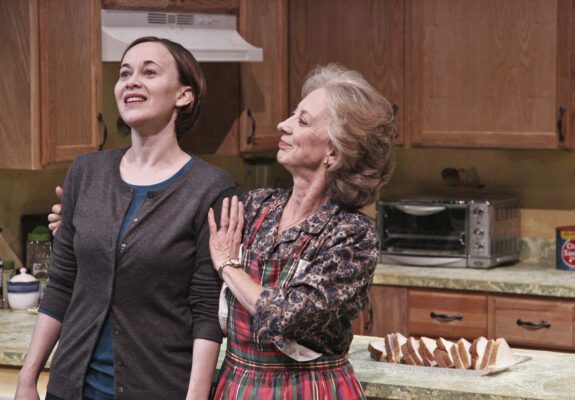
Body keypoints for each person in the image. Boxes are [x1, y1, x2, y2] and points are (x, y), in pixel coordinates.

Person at [16, 37, 235, 400]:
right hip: (71, 388)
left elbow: (206, 309)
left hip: (160, 388)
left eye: (149, 72)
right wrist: (28, 378)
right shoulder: (86, 172)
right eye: (124, 73)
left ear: (183, 95)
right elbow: (62, 283)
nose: (132, 81)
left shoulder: (210, 189)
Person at [207, 64, 396, 399]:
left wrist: (228, 265)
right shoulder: (256, 207)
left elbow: (288, 317)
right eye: (293, 115)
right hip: (237, 384)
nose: (283, 124)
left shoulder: (350, 234)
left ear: (333, 151)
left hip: (310, 389)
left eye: (302, 120)